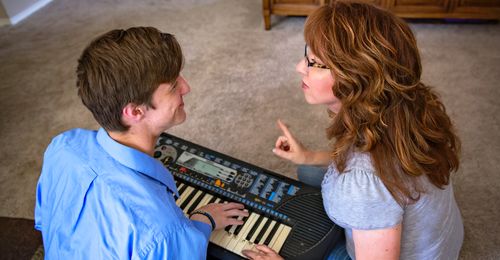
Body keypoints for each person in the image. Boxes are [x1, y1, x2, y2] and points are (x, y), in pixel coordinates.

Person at [243, 1, 464, 260]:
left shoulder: (362, 184)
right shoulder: (406, 102)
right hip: (439, 244)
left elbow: (366, 179)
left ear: (355, 79)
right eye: (307, 55)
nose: (300, 67)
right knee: (307, 169)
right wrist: (309, 157)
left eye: (315, 62)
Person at [34, 27, 248, 259]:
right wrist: (202, 220)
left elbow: (46, 223)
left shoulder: (62, 146)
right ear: (135, 111)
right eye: (174, 86)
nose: (186, 87)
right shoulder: (163, 234)